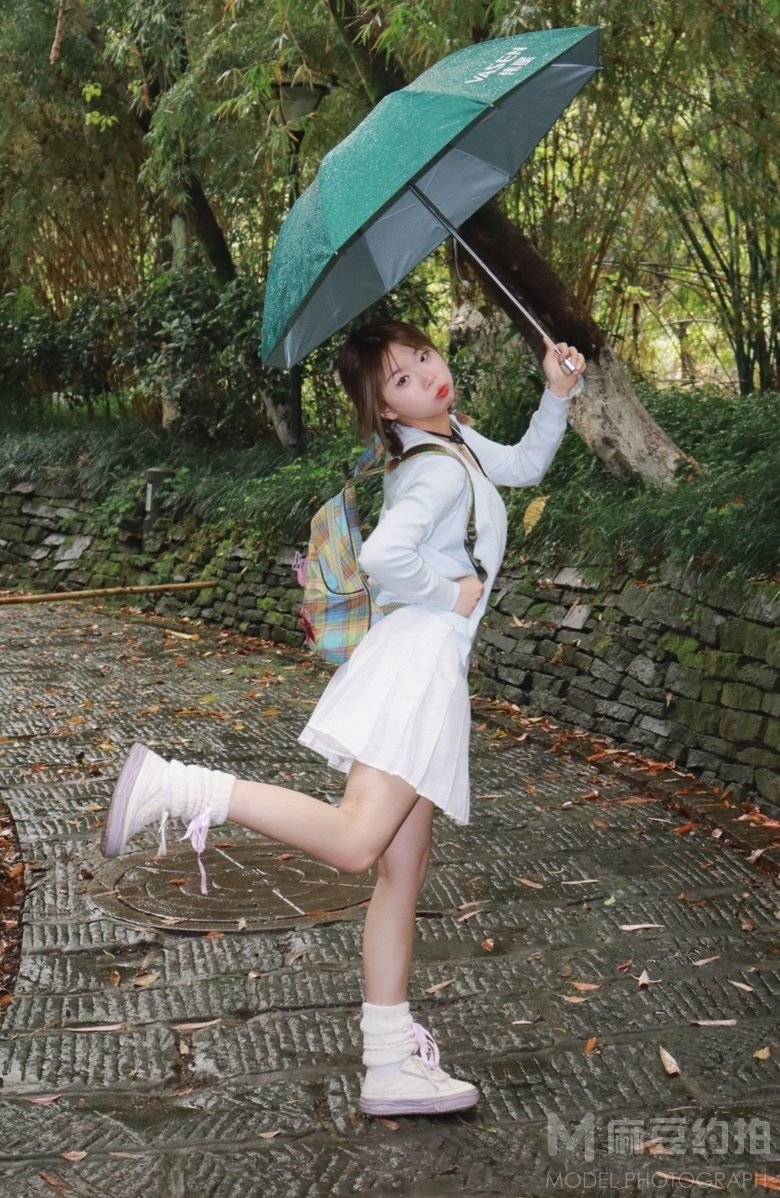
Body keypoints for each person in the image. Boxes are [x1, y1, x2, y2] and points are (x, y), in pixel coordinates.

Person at [100, 318, 586, 1117]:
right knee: (361, 843)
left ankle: (389, 1063)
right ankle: (181, 786)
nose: (426, 375)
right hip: (418, 663)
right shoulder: (432, 474)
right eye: (401, 378)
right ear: (384, 408)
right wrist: (451, 591)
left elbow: (523, 466)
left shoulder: (451, 439)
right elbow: (383, 557)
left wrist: (556, 395)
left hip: (419, 660)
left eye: (422, 356)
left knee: (403, 867)